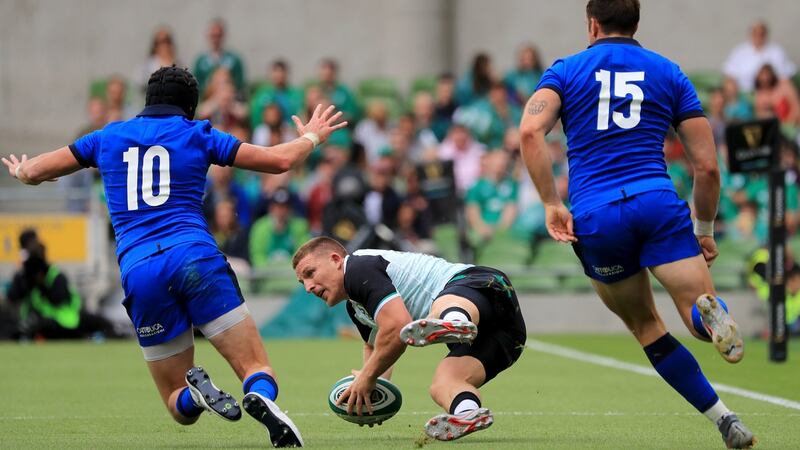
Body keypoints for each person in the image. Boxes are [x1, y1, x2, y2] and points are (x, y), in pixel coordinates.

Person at [3, 65, 346, 448]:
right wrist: (312, 137)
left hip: (140, 270)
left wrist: (23, 172)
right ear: (190, 106)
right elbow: (278, 161)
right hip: (194, 258)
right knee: (256, 368)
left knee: (174, 403)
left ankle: (196, 394)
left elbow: (33, 170)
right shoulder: (196, 133)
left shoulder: (107, 137)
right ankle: (260, 396)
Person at [518, 1, 755, 448]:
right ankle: (708, 315)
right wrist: (703, 228)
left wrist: (551, 203)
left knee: (647, 326)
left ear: (592, 23)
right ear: (636, 23)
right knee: (695, 309)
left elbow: (530, 132)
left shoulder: (565, 70)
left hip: (597, 215)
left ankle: (724, 420)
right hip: (657, 202)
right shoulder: (669, 72)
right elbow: (706, 167)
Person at [292, 236, 526, 441]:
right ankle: (467, 413)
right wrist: (370, 392)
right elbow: (378, 349)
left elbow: (397, 327)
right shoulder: (356, 310)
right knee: (443, 384)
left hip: (479, 285)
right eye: (303, 283)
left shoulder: (357, 266)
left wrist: (367, 376)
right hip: (508, 333)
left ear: (335, 259)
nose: (308, 288)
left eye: (310, 274)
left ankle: (454, 320)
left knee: (444, 304)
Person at [722, 20, 796, 93]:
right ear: (750, 34)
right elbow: (729, 74)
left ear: (766, 34)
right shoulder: (739, 52)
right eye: (755, 33)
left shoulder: (776, 51)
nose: (758, 37)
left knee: (787, 86)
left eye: (761, 34)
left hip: (772, 92)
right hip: (744, 93)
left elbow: (785, 75)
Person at [193, 19, 246, 95]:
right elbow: (196, 84)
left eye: (219, 35)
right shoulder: (201, 61)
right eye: (213, 35)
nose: (216, 39)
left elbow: (239, 84)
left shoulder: (234, 60)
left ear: (224, 36)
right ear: (208, 35)